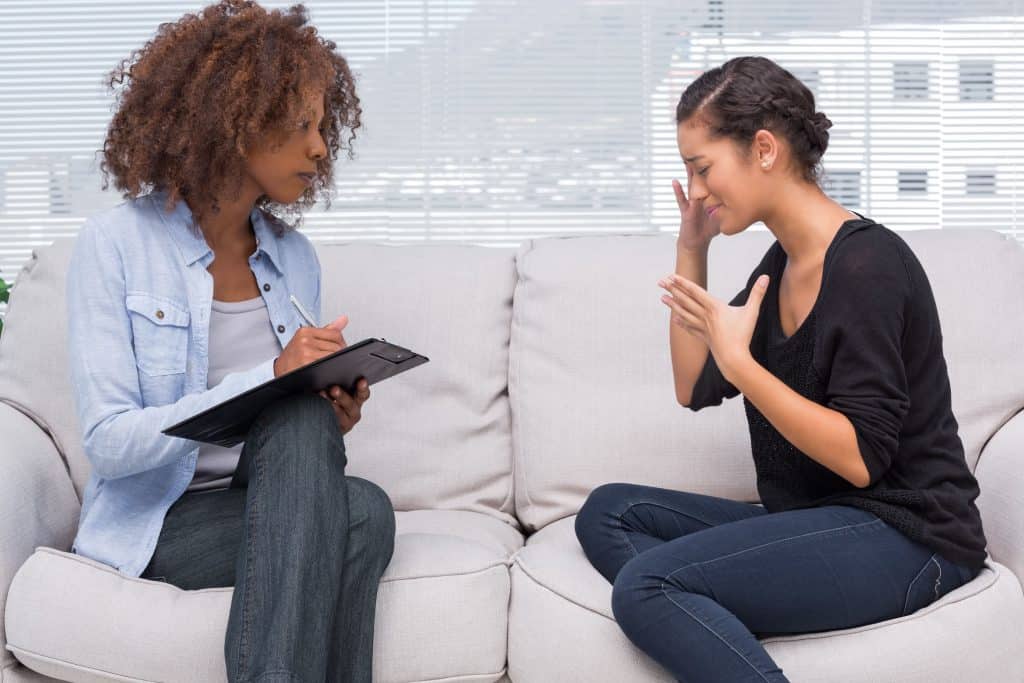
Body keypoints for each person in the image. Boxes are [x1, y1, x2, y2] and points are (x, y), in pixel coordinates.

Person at [574, 56, 987, 682]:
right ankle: (717, 607)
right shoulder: (778, 264)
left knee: (645, 588)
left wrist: (742, 364)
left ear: (763, 149)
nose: (698, 187)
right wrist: (692, 247)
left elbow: (859, 458)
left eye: (702, 167)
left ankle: (698, 605)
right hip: (817, 520)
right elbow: (691, 386)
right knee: (608, 511)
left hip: (911, 536)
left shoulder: (867, 267)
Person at [65, 2, 395, 681]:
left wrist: (328, 403)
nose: (320, 148)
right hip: (165, 519)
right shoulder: (116, 245)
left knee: (356, 492)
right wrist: (271, 376)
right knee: (360, 513)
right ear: (235, 120)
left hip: (268, 497)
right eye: (301, 124)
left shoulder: (294, 257)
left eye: (321, 124)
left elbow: (292, 444)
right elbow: (108, 442)